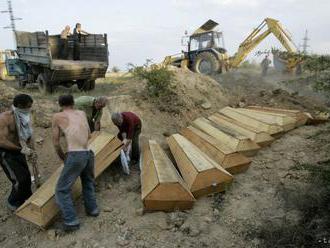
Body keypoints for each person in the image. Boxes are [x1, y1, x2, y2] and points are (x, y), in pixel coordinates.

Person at [52, 95, 98, 232]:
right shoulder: (82, 113)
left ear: (60, 104)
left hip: (75, 155)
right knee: (88, 182)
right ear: (73, 103)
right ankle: (93, 210)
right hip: (88, 153)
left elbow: (55, 143)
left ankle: (71, 221)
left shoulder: (57, 116)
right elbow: (89, 135)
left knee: (61, 190)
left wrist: (63, 157)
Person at [0, 94, 35, 211]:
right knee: (19, 179)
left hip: (18, 149)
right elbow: (1, 141)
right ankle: (13, 202)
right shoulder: (5, 118)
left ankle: (27, 198)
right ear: (20, 106)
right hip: (6, 152)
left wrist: (31, 150)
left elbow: (28, 134)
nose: (29, 109)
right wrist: (21, 149)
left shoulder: (23, 116)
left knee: (26, 176)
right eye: (28, 107)